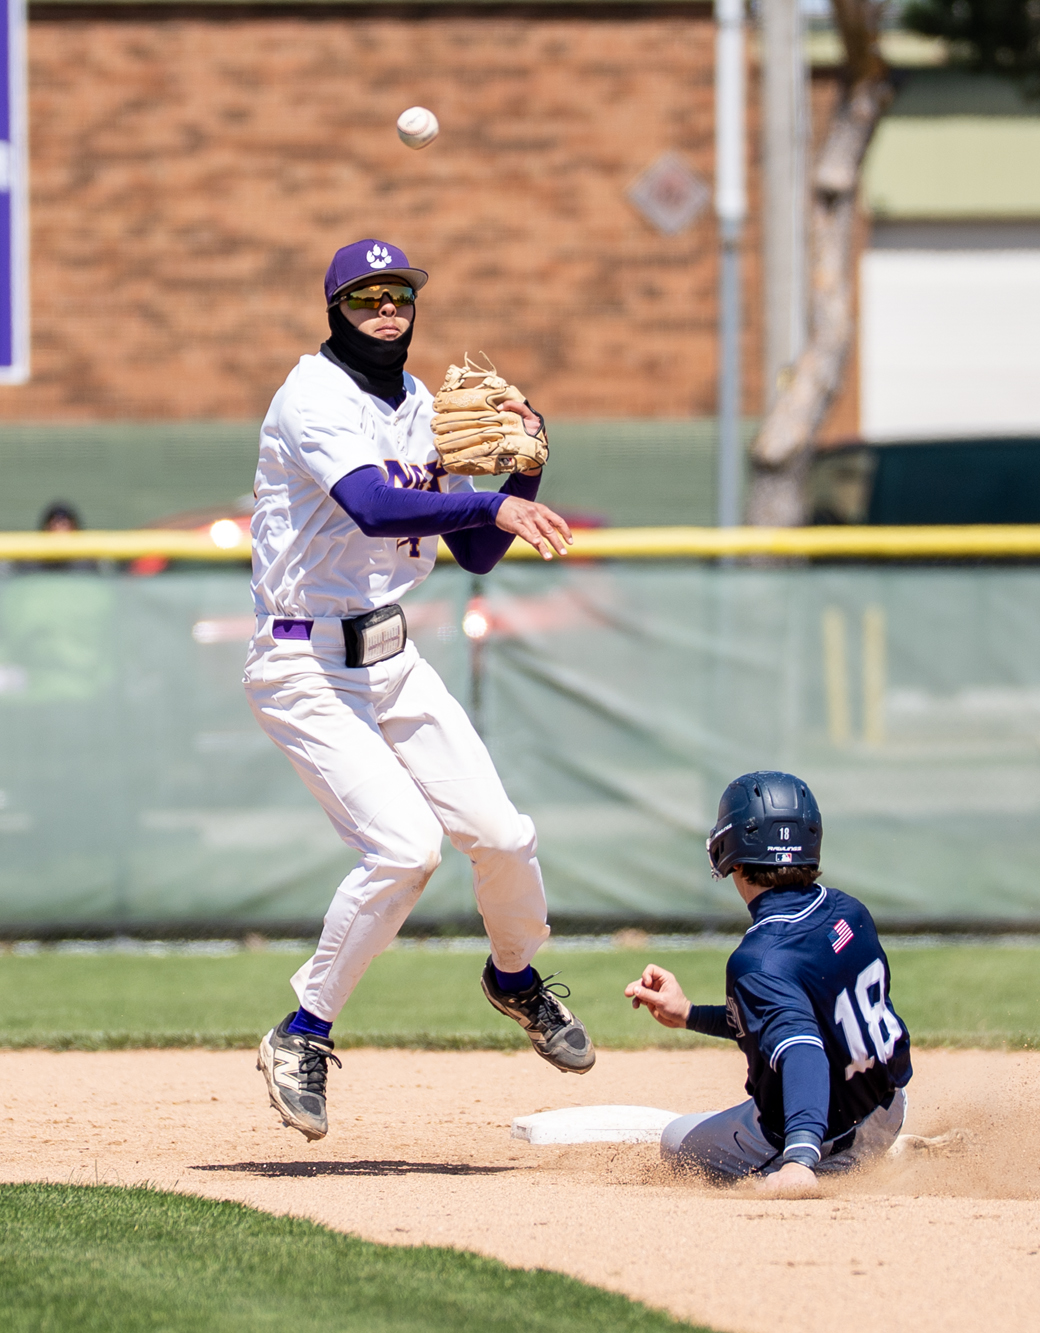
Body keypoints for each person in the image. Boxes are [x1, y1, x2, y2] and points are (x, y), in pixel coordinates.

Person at [249, 238, 594, 1143]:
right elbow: (372, 502)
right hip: (304, 662)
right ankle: (302, 1031)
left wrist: (526, 461)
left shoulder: (424, 408)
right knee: (405, 849)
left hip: (393, 659)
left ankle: (514, 977)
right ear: (336, 311)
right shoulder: (314, 396)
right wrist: (487, 501)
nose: (386, 310)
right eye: (365, 298)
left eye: (398, 294)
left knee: (504, 837)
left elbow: (477, 551)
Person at [624, 771, 912, 1198]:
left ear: (731, 853)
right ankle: (869, 1150)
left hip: (829, 1133)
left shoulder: (759, 958)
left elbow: (802, 1051)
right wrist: (688, 1015)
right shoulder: (847, 910)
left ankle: (825, 1163)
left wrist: (799, 1158)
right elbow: (799, 1011)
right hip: (888, 1109)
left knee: (676, 1141)